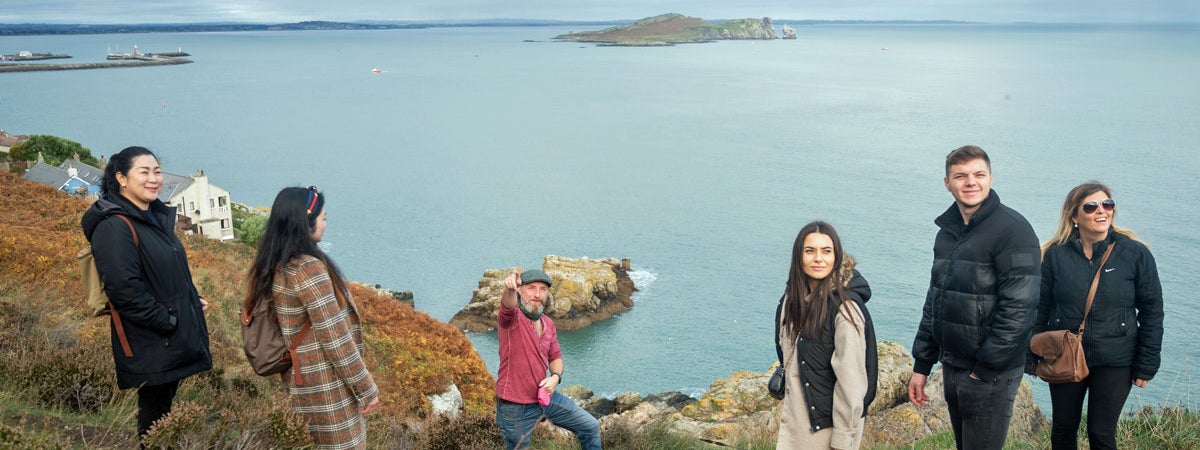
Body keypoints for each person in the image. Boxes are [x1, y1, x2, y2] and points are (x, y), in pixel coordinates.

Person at [908, 145, 1041, 450]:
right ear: (947, 183)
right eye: (961, 176)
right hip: (954, 367)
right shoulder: (947, 233)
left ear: (990, 178)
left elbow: (1020, 309)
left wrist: (983, 370)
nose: (971, 182)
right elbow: (936, 300)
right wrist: (922, 364)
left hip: (990, 374)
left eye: (979, 174)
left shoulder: (1013, 230)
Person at [80, 146, 213, 442]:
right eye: (144, 172)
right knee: (155, 416)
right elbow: (124, 290)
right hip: (153, 339)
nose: (154, 179)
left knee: (160, 412)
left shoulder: (151, 217)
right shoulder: (115, 226)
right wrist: (168, 321)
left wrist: (191, 296)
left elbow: (163, 269)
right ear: (121, 178)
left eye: (157, 171)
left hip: (165, 337)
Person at [1029, 181, 1163, 450]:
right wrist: (1031, 356)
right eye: (1091, 206)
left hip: (1116, 360)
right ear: (1074, 216)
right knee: (1063, 429)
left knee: (1101, 433)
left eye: (1107, 204)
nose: (1101, 211)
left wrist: (1146, 364)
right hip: (1065, 353)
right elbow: (1039, 308)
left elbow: (1152, 312)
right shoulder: (1055, 255)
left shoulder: (1135, 254)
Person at [244, 186, 379, 449]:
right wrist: (366, 388)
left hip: (300, 380)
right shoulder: (308, 267)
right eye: (323, 217)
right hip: (327, 385)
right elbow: (334, 336)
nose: (326, 224)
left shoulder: (274, 263)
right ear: (305, 222)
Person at [774, 221, 877, 450]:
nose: (818, 258)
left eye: (826, 251)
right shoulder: (791, 301)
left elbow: (851, 384)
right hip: (794, 424)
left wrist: (843, 440)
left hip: (826, 433)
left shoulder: (845, 310)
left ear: (836, 257)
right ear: (798, 257)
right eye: (810, 251)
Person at [495, 269, 601, 450]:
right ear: (521, 291)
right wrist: (510, 289)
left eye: (543, 289)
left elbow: (556, 357)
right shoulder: (512, 319)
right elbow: (507, 306)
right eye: (531, 288)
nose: (537, 294)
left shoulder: (548, 323)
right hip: (515, 407)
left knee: (590, 427)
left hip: (545, 398)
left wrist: (555, 377)